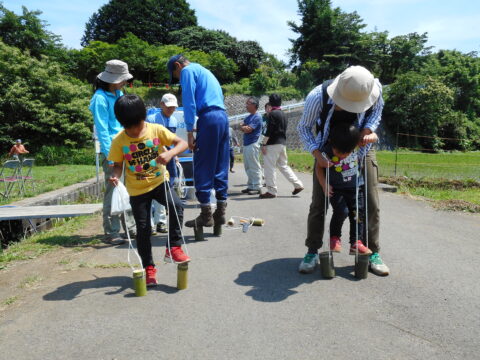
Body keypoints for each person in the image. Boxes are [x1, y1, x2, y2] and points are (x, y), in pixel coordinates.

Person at [297, 65, 389, 276]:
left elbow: (376, 114)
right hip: (327, 150)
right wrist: (317, 155)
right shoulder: (317, 96)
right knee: (320, 202)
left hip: (361, 149)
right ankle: (312, 251)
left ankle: (372, 251)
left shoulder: (374, 89)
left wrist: (367, 132)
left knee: (370, 203)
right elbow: (303, 128)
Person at [108, 94, 190, 286]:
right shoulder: (119, 140)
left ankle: (174, 247)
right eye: (129, 128)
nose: (135, 131)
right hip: (137, 190)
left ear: (143, 118)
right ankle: (149, 267)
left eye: (137, 126)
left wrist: (169, 153)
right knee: (143, 230)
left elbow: (182, 143)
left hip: (160, 182)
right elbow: (117, 164)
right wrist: (115, 175)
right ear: (122, 124)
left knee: (176, 205)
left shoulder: (156, 129)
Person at [167, 54, 229, 229]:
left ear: (178, 66)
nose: (178, 80)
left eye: (175, 76)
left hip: (208, 118)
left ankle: (205, 214)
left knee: (202, 164)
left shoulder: (187, 71)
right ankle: (221, 211)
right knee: (220, 165)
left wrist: (189, 131)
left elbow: (189, 102)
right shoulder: (205, 71)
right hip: (222, 117)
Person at [89, 59, 136, 245]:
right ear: (111, 79)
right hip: (112, 151)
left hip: (127, 147)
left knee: (129, 189)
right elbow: (102, 130)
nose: (124, 82)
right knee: (113, 190)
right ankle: (111, 231)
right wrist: (110, 156)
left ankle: (130, 228)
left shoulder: (119, 93)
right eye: (122, 79)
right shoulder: (99, 98)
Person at [315, 123, 376, 256]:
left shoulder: (358, 147)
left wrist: (371, 136)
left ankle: (356, 242)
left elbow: (375, 137)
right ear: (332, 143)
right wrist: (324, 183)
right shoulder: (327, 150)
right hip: (337, 189)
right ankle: (334, 238)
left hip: (356, 188)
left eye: (346, 153)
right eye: (339, 152)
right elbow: (319, 167)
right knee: (341, 211)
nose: (342, 156)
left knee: (357, 214)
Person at [146, 93, 180, 234]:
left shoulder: (174, 121)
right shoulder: (152, 119)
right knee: (152, 188)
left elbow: (173, 141)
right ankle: (150, 224)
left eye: (173, 107)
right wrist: (164, 150)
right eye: (168, 107)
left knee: (166, 188)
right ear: (161, 105)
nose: (171, 109)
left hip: (169, 158)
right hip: (154, 158)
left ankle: (161, 222)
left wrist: (174, 155)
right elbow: (150, 139)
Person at [259, 94, 304, 198]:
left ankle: (271, 191)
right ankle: (298, 184)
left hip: (272, 144)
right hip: (282, 143)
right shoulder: (284, 114)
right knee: (283, 166)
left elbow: (268, 130)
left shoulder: (271, 114)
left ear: (270, 103)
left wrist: (263, 143)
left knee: (269, 167)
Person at [240, 97, 263, 195]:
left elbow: (248, 129)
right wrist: (243, 127)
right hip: (247, 143)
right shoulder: (249, 117)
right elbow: (243, 127)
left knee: (254, 166)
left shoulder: (257, 116)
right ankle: (250, 185)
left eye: (248, 103)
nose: (246, 105)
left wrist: (243, 127)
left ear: (254, 105)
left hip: (253, 143)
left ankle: (257, 186)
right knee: (248, 166)